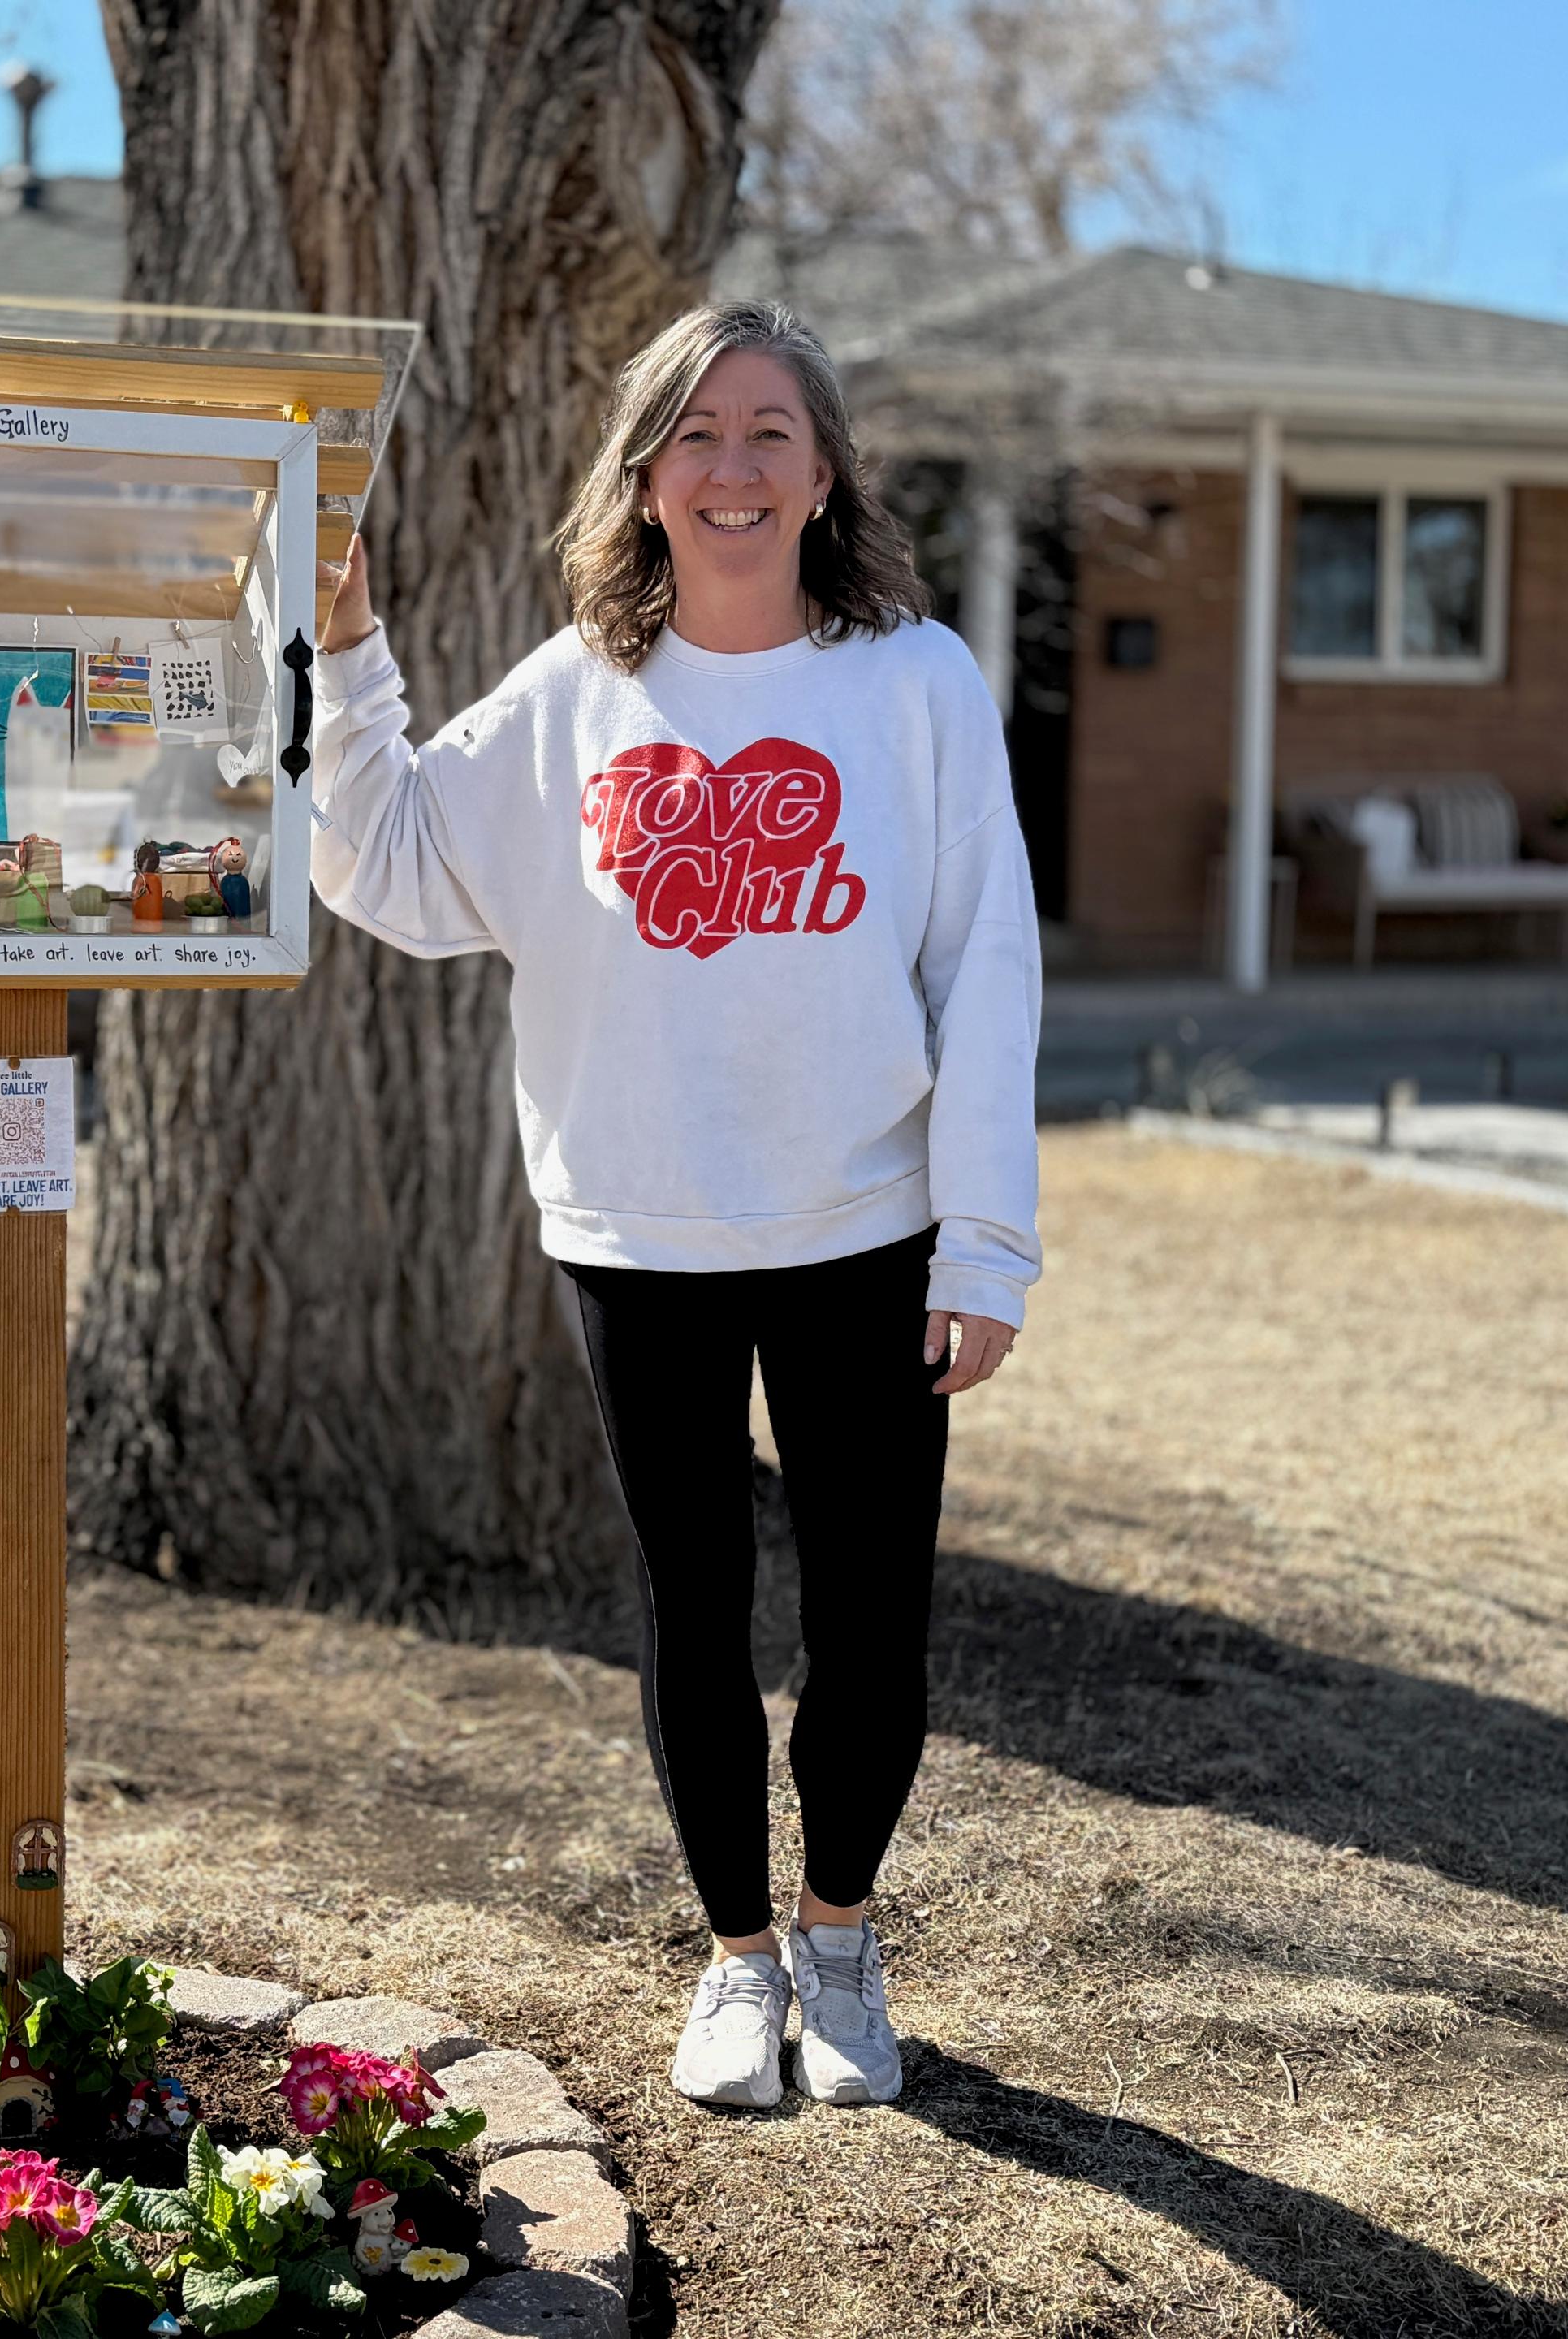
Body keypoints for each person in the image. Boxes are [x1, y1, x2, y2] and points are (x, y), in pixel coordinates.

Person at [309, 300, 1040, 2112]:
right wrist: (346, 659)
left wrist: (988, 1235)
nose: (733, 467)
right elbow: (394, 859)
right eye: (697, 433)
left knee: (872, 1621)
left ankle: (843, 1937)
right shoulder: (574, 697)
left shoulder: (916, 683)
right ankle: (735, 1959)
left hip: (866, 1227)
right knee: (692, 1610)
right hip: (640, 1237)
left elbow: (991, 968)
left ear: (823, 473)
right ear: (644, 474)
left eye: (771, 432)